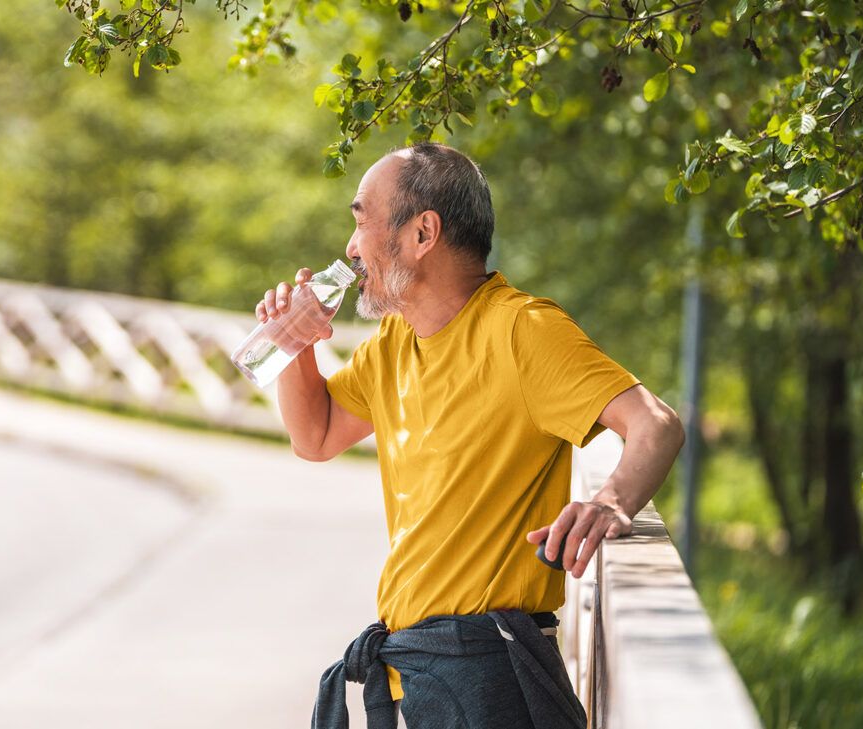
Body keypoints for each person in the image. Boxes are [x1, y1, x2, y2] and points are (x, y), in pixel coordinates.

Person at [253, 143, 685, 728]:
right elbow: (317, 435)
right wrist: (294, 347)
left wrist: (611, 501)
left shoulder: (521, 330)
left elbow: (655, 424)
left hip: (493, 673)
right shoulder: (394, 343)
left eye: (361, 222)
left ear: (422, 232)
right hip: (419, 673)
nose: (350, 248)